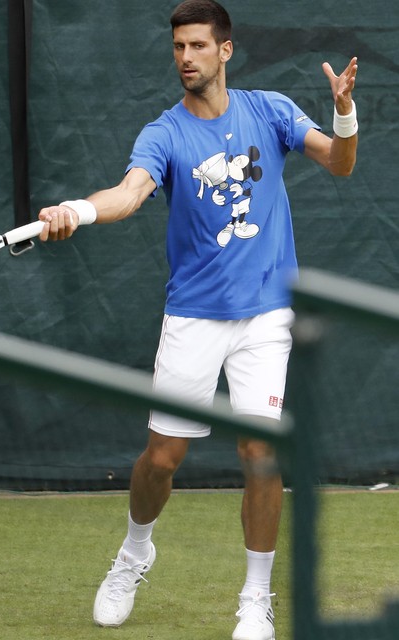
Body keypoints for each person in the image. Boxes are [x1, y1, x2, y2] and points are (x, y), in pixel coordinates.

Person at [37, 1, 358, 638]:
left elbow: (342, 163)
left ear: (225, 50)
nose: (186, 58)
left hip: (266, 312)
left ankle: (254, 600)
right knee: (162, 459)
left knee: (261, 453)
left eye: (198, 47)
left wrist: (343, 111)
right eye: (178, 47)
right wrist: (79, 208)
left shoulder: (269, 110)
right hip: (194, 314)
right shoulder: (164, 133)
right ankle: (134, 551)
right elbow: (129, 194)